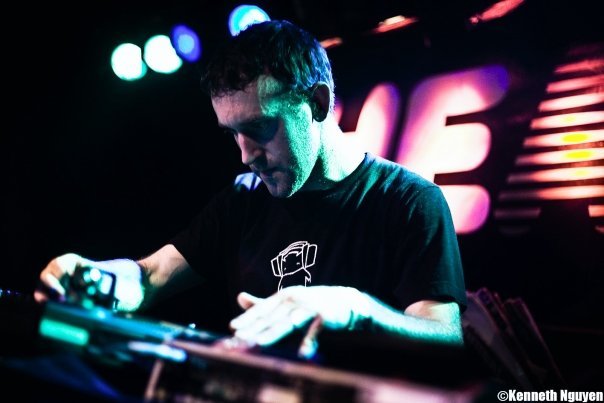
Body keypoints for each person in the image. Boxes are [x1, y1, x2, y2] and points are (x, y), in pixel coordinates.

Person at [34, 19, 467, 358]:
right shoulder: (243, 200)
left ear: (316, 103)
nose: (245, 155)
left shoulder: (408, 200)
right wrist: (97, 280)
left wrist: (355, 310)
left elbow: (445, 337)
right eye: (233, 135)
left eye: (259, 129)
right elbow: (150, 276)